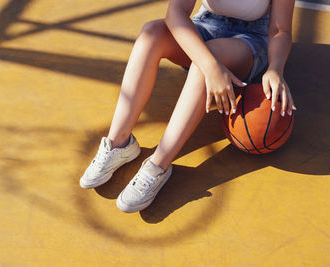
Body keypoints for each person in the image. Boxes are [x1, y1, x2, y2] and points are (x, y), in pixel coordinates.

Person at [80, 0, 297, 212]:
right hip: (207, 24)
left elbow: (280, 29)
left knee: (210, 55)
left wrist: (275, 69)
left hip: (252, 40)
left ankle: (158, 166)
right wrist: (211, 67)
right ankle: (119, 143)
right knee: (152, 33)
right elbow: (176, 12)